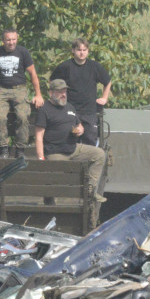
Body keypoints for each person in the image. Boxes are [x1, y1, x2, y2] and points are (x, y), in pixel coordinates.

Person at [35, 79, 107, 211]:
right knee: (56, 177)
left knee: (99, 154)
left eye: (65, 92)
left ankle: (90, 191)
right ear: (51, 93)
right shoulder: (45, 110)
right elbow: (39, 136)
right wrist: (41, 158)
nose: (63, 95)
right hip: (55, 151)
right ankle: (50, 202)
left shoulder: (70, 107)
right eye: (60, 92)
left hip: (73, 148)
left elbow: (79, 125)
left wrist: (80, 130)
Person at [0, 28, 44, 158]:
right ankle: (3, 148)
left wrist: (38, 94)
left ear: (17, 39)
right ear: (3, 40)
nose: (11, 42)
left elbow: (32, 73)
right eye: (8, 40)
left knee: (22, 116)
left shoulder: (23, 52)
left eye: (14, 39)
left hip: (19, 89)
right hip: (1, 89)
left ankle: (20, 149)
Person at [49, 37, 111, 146]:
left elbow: (107, 81)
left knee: (90, 141)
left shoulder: (95, 66)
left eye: (84, 50)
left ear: (88, 51)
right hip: (70, 110)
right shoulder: (65, 66)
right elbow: (52, 82)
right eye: (79, 50)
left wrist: (104, 98)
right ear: (73, 50)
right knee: (70, 141)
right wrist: (57, 99)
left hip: (89, 111)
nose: (81, 53)